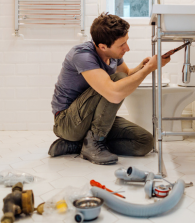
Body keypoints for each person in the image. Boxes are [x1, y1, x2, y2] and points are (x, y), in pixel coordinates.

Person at [48, 12, 171, 165]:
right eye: (122, 45)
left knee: (144, 142)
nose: (127, 48)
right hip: (67, 122)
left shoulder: (113, 54)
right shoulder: (82, 55)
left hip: (90, 118)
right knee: (116, 83)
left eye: (126, 41)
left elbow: (126, 75)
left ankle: (80, 145)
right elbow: (114, 93)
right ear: (102, 47)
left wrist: (143, 67)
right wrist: (149, 69)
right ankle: (94, 142)